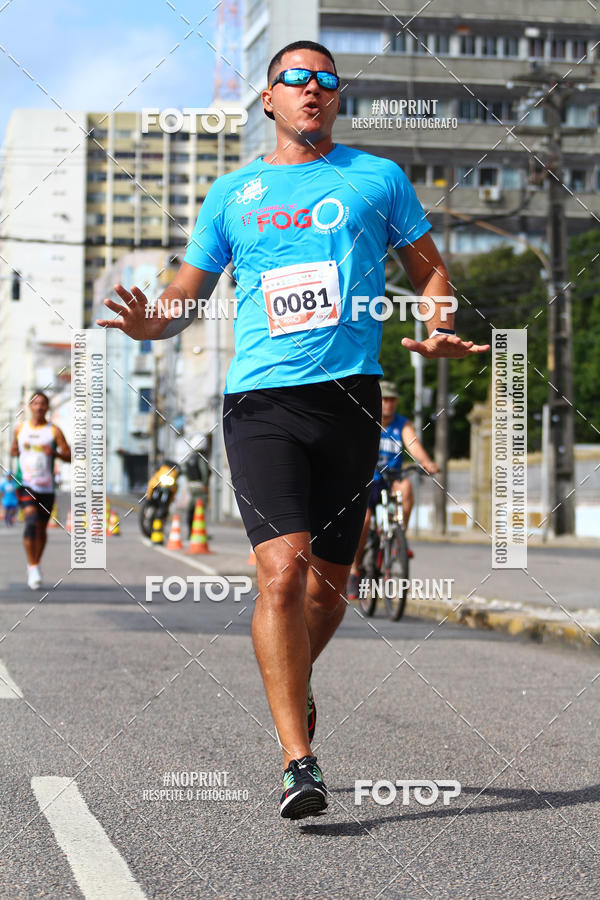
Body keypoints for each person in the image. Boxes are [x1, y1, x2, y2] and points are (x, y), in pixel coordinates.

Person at [97, 39, 489, 820]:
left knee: (330, 591)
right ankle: (297, 759)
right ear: (268, 99)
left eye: (326, 81)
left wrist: (439, 321)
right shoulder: (232, 194)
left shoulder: (377, 179)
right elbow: (185, 294)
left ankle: (296, 680)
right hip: (262, 403)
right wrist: (150, 326)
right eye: (295, 79)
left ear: (336, 98)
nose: (313, 89)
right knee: (280, 574)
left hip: (350, 401)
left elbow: (428, 270)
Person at [347, 380, 439, 599]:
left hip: (390, 480)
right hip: (367, 482)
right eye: (384, 399)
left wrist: (427, 462)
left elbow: (414, 444)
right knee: (365, 521)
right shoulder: (365, 419)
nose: (388, 404)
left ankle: (398, 540)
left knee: (406, 486)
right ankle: (354, 570)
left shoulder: (402, 424)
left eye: (392, 399)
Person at [10, 392, 71, 589]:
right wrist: (16, 451)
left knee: (41, 529)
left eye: (43, 404)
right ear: (30, 406)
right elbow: (13, 450)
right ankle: (33, 567)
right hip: (25, 483)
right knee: (30, 522)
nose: (39, 407)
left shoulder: (54, 431)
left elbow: (69, 455)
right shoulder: (20, 428)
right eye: (35, 403)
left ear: (47, 408)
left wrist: (53, 453)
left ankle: (35, 562)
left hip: (46, 486)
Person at [184, 434, 212, 538]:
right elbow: (204, 472)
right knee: (200, 510)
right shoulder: (201, 458)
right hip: (200, 486)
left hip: (191, 486)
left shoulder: (189, 458)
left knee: (191, 509)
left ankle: (190, 532)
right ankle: (200, 532)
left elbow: (185, 471)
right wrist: (205, 484)